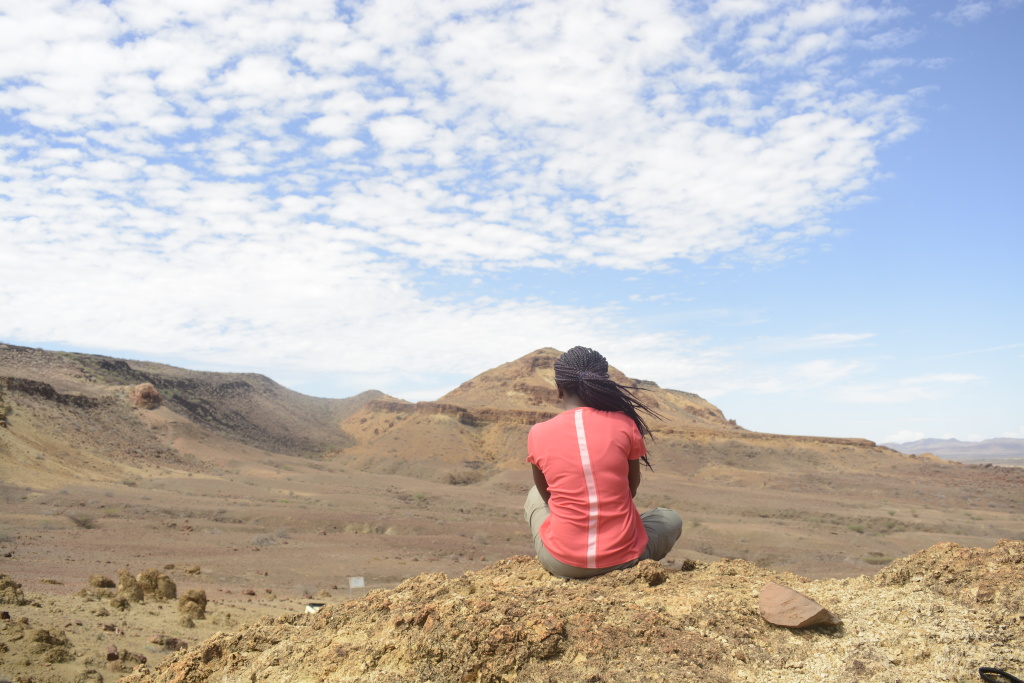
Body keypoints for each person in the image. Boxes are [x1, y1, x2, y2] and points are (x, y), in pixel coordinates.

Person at [524, 346, 683, 578]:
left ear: (559, 389)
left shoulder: (538, 432)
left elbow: (548, 498)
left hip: (562, 563)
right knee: (670, 518)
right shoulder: (624, 424)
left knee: (534, 494)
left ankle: (568, 548)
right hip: (624, 559)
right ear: (602, 383)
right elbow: (631, 489)